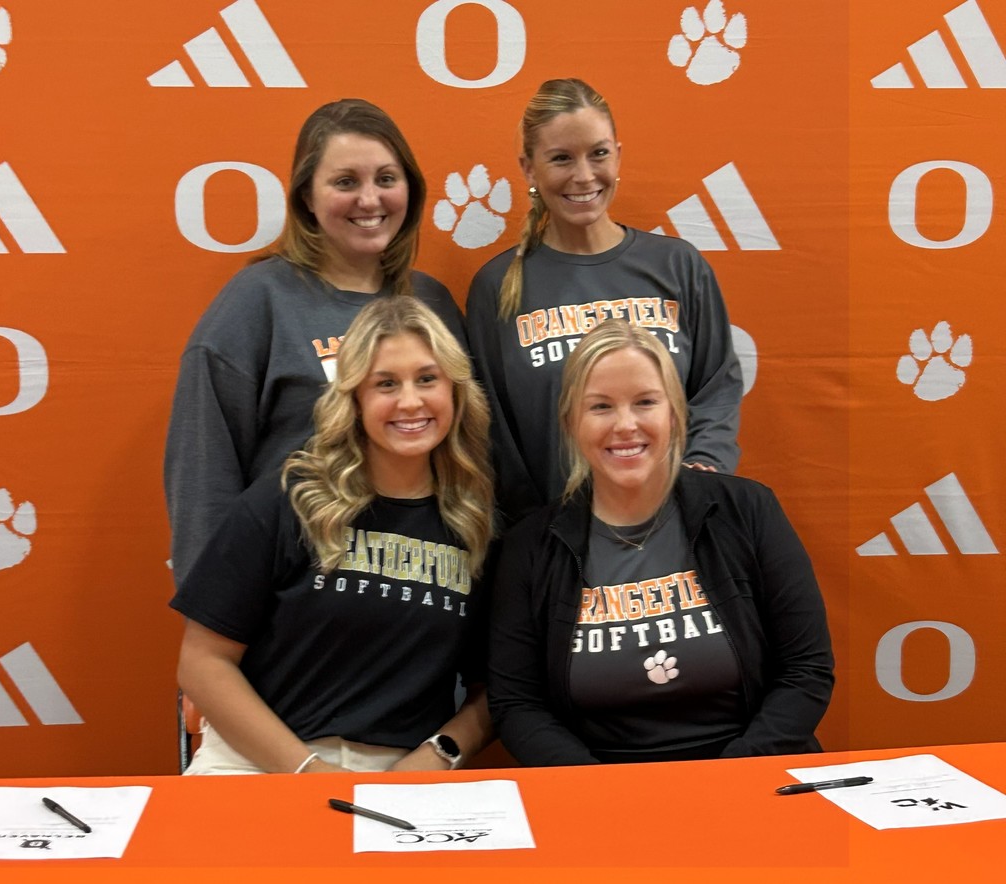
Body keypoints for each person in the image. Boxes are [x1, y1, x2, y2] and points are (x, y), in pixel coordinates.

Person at [170, 297, 494, 774]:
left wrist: (438, 755)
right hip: (257, 760)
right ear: (355, 398)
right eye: (386, 384)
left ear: (455, 392)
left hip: (401, 773)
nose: (410, 401)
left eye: (427, 379)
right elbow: (202, 662)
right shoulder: (288, 499)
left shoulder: (476, 524)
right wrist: (305, 771)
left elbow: (498, 688)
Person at [487, 319, 832, 766]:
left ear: (675, 412)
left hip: (751, 776)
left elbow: (807, 672)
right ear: (570, 421)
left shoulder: (748, 511)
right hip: (602, 794)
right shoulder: (530, 546)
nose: (626, 425)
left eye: (645, 402)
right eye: (601, 407)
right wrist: (603, 793)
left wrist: (726, 781)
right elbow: (518, 705)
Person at [165, 98, 466, 586]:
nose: (370, 200)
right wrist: (215, 615)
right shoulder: (256, 303)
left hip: (426, 589)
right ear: (306, 195)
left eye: (386, 179)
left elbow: (470, 456)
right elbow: (204, 477)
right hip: (299, 595)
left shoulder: (433, 303)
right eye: (346, 182)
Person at [467, 78, 742, 525]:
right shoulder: (497, 287)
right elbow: (492, 432)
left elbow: (716, 389)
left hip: (678, 526)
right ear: (529, 169)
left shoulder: (678, 267)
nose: (584, 176)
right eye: (561, 158)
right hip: (557, 541)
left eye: (598, 153)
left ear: (619, 153)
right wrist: (538, 535)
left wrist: (699, 478)